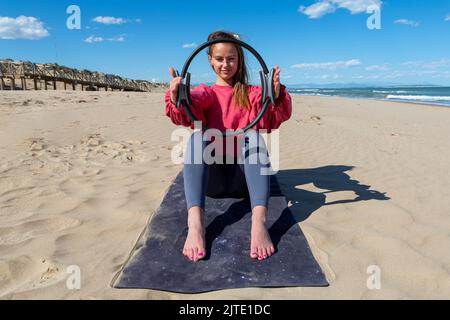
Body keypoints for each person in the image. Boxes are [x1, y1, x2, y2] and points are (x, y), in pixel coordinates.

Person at [165, 30, 292, 262]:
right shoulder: (206, 92)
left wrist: (275, 96)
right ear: (210, 61)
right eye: (220, 59)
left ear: (239, 60)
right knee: (197, 137)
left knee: (253, 136)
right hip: (211, 183)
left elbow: (271, 120)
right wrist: (178, 97)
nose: (226, 64)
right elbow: (187, 112)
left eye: (231, 58)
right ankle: (195, 225)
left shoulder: (251, 93)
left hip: (245, 181)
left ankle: (259, 223)